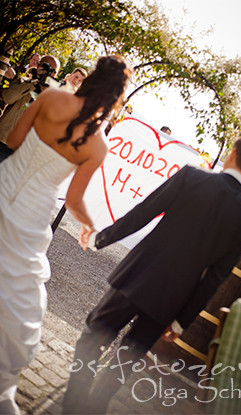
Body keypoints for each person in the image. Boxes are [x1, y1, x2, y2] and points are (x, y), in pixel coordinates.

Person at [59, 132, 241, 413]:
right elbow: (215, 278)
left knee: (93, 336)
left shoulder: (192, 177)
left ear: (232, 154)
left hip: (136, 277)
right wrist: (181, 321)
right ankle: (95, 407)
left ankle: (74, 405)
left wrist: (102, 238)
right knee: (128, 358)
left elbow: (144, 212)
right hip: (172, 300)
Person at [0, 55, 131, 415]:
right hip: (32, 211)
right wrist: (88, 224)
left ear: (89, 77)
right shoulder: (98, 143)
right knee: (12, 283)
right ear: (115, 97)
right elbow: (73, 200)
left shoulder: (51, 96)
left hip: (5, 182)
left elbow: (12, 139)